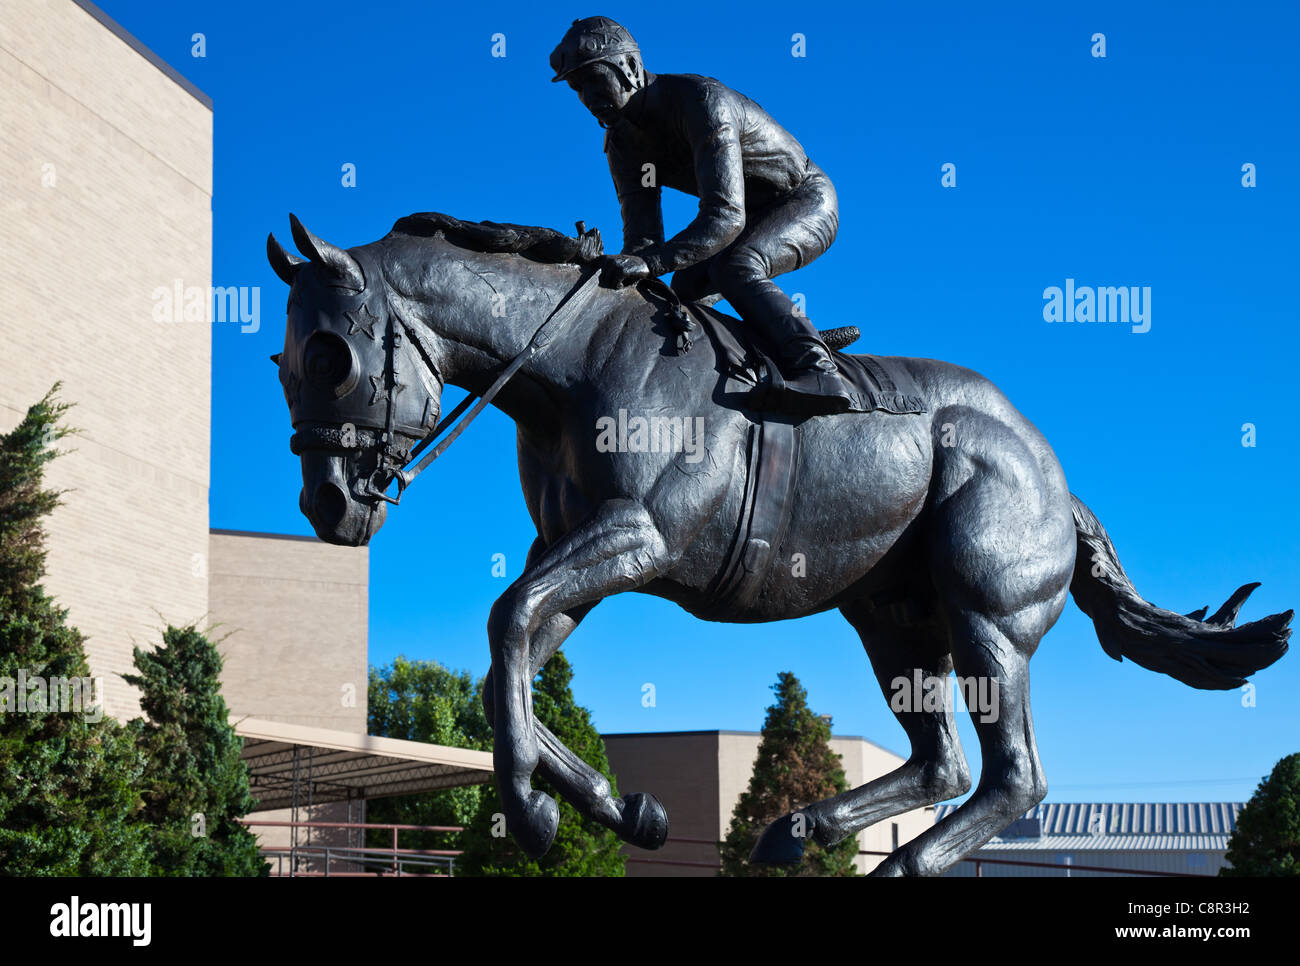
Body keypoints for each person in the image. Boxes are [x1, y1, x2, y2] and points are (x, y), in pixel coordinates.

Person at [551, 16, 855, 414]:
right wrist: (620, 276)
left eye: (594, 80)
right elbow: (644, 242)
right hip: (742, 218)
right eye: (578, 89)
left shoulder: (701, 101)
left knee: (735, 266)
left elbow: (725, 215)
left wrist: (648, 262)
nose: (588, 98)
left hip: (803, 200)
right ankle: (773, 345)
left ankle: (818, 367)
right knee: (678, 302)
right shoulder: (622, 143)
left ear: (628, 67)